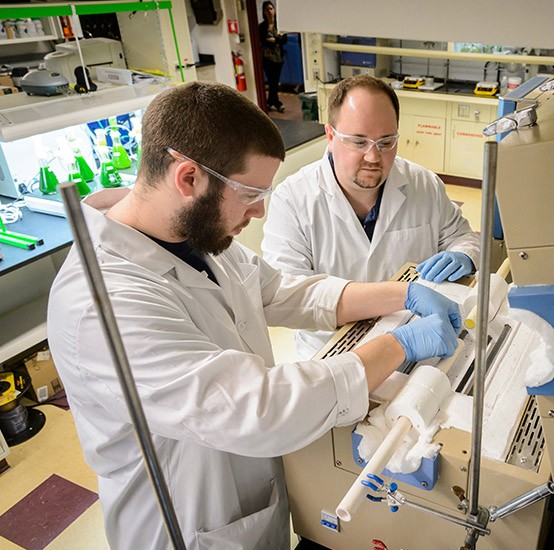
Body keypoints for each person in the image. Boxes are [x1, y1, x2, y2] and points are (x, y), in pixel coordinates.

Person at [46, 81, 461, 550]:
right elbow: (254, 406)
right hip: (187, 522)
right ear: (188, 178)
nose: (261, 210)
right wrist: (398, 345)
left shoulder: (195, 236)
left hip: (249, 491)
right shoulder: (102, 304)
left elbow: (282, 289)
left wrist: (402, 294)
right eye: (249, 194)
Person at [262, 74, 479, 358]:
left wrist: (464, 255)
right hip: (334, 354)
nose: (374, 157)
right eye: (359, 142)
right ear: (331, 135)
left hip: (421, 339)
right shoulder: (292, 199)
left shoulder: (423, 183)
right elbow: (286, 297)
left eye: (386, 142)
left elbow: (462, 236)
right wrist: (397, 297)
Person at [259, 1, 286, 113]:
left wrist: (274, 41)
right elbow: (263, 41)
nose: (270, 11)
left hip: (278, 58)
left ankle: (270, 102)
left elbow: (284, 40)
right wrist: (276, 41)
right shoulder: (262, 27)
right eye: (267, 9)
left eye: (271, 9)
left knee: (274, 81)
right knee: (272, 81)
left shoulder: (279, 25)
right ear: (264, 12)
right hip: (267, 59)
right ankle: (276, 103)